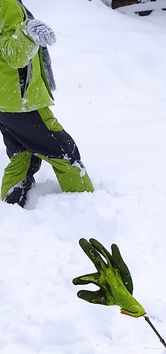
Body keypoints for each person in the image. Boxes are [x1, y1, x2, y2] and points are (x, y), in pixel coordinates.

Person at [0, 0, 93, 207]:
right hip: (21, 102)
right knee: (64, 152)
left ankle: (10, 208)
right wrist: (28, 34)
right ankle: (87, 206)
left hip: (7, 101)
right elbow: (14, 56)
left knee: (22, 156)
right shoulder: (6, 4)